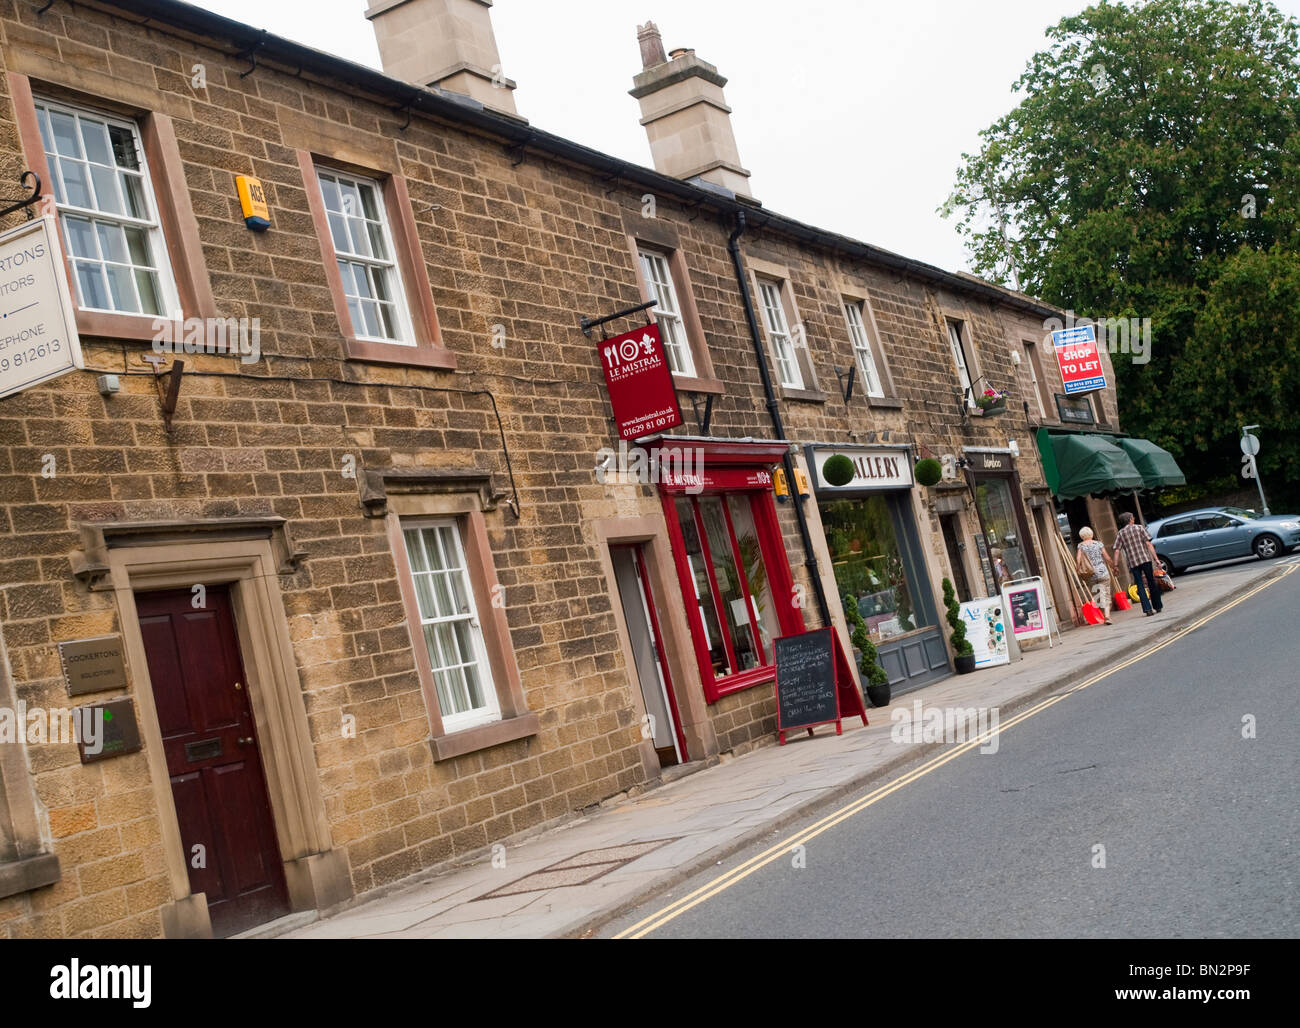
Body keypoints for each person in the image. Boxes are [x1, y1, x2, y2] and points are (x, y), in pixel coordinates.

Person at [1113, 511, 1163, 616]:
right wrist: (1156, 559)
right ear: (1130, 519)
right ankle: (1157, 606)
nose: (1134, 518)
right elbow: (1148, 544)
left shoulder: (1121, 533)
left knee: (1139, 585)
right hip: (1145, 559)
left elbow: (1117, 550)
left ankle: (1147, 610)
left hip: (1133, 563)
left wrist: (1115, 565)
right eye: (1133, 517)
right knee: (1151, 581)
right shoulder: (1139, 528)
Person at [1075, 526, 1118, 625]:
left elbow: (1078, 559)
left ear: (1082, 536)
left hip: (1091, 574)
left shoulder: (1080, 546)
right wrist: (1113, 566)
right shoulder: (1098, 544)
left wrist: (1078, 569)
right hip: (1103, 572)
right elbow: (1106, 557)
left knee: (1097, 596)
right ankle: (1107, 616)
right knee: (1106, 593)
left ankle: (1104, 615)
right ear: (1091, 534)